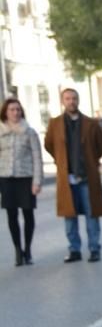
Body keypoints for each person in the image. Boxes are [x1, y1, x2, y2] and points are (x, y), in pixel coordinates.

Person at [44, 88, 102, 262]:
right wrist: (61, 161)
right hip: (67, 177)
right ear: (62, 101)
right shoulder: (55, 123)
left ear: (78, 100)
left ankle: (94, 248)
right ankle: (74, 250)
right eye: (67, 98)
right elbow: (49, 145)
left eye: (74, 98)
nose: (71, 101)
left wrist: (92, 161)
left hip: (87, 177)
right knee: (69, 215)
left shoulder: (91, 123)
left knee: (91, 214)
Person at [0, 97, 43, 266]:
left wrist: (37, 181)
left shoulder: (29, 132)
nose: (15, 112)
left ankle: (28, 249)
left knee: (28, 214)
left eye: (18, 109)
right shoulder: (1, 131)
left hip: (26, 178)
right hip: (6, 178)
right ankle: (18, 249)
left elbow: (37, 157)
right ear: (6, 112)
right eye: (12, 109)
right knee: (11, 215)